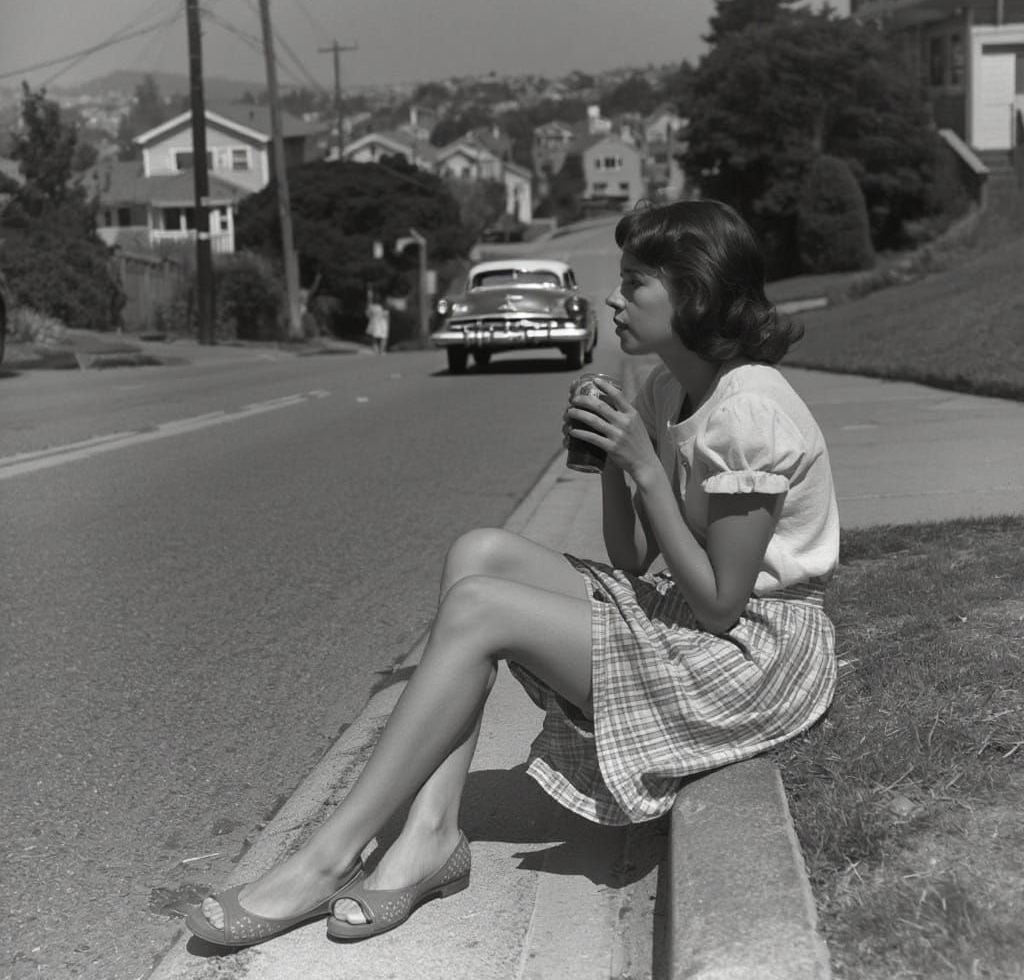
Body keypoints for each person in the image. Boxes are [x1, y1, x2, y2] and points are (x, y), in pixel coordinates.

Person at [185, 199, 840, 948]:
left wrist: (642, 467)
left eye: (635, 283)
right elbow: (632, 559)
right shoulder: (670, 389)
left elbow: (724, 604)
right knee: (480, 553)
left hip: (756, 653)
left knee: (480, 610)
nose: (613, 299)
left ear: (694, 293)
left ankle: (324, 859)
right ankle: (430, 834)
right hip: (698, 620)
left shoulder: (751, 412)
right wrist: (607, 461)